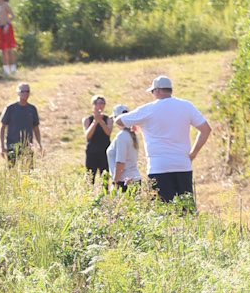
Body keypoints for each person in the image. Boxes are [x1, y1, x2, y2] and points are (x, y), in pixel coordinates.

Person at [118, 74, 211, 207]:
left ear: (157, 90)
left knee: (162, 211)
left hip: (158, 167)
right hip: (182, 164)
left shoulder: (148, 109)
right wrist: (193, 153)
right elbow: (206, 129)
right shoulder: (186, 106)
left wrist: (137, 121)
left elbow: (119, 121)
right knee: (186, 210)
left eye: (152, 92)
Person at [0, 83, 41, 166]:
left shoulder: (32, 109)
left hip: (28, 146)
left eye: (27, 91)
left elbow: (36, 128)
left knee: (28, 173)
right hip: (12, 146)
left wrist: (39, 144)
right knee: (12, 173)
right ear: (18, 93)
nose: (25, 93)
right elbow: (2, 127)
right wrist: (1, 146)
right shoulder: (10, 108)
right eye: (22, 91)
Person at [107, 104, 141, 192]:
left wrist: (115, 182)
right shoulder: (133, 134)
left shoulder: (121, 136)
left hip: (124, 181)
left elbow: (120, 162)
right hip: (135, 178)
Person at [83, 96, 112, 184]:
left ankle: (105, 196)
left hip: (104, 152)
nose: (99, 105)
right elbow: (88, 135)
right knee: (90, 179)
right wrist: (95, 122)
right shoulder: (87, 120)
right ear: (92, 105)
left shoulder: (108, 119)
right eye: (96, 103)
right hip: (92, 152)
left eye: (101, 103)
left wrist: (101, 121)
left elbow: (108, 132)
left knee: (105, 179)